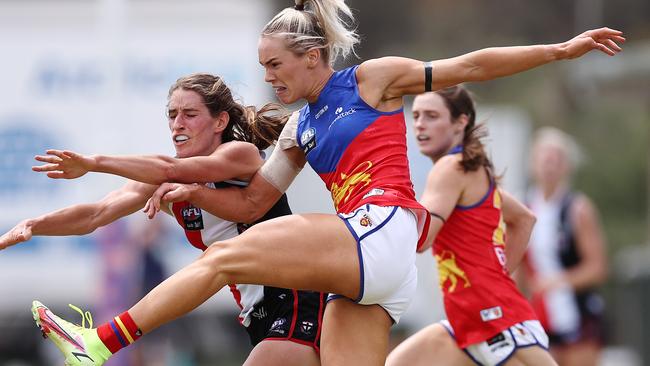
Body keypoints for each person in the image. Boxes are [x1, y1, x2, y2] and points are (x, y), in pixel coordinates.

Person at [18, 0, 624, 365]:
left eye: (275, 66)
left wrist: (560, 51)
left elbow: (471, 65)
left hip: (377, 231)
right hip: (372, 272)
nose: (269, 78)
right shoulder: (297, 129)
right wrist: (192, 194)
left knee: (226, 257)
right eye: (262, 69)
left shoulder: (371, 80)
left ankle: (101, 343)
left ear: (312, 56)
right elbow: (256, 201)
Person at [0, 73, 325, 366]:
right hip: (256, 315)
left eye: (190, 114)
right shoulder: (165, 179)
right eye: (172, 115)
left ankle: (98, 343)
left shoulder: (239, 154)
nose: (177, 124)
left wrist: (94, 162)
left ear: (219, 121)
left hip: (294, 301)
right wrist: (34, 224)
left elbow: (171, 170)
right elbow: (95, 214)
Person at [385, 86, 554, 366]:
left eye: (431, 116)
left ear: (460, 122)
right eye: (415, 116)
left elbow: (421, 238)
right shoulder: (470, 169)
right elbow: (524, 219)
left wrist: (380, 203)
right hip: (466, 321)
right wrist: (497, 276)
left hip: (495, 319)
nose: (419, 125)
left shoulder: (450, 168)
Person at [520, 127, 608, 366]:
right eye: (544, 159)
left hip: (576, 316)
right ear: (533, 164)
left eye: (556, 160)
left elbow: (597, 268)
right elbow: (518, 265)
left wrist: (557, 281)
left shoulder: (577, 209)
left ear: (567, 167)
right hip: (540, 315)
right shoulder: (525, 208)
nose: (549, 166)